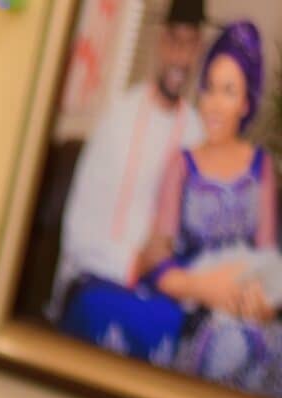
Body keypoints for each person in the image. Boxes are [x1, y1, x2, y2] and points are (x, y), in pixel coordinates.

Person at [54, 0, 205, 357]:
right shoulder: (118, 118)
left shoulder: (198, 135)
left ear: (198, 51)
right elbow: (78, 230)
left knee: (178, 328)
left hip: (163, 291)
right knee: (99, 313)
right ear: (158, 43)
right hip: (101, 274)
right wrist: (134, 263)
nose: (180, 58)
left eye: (190, 45)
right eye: (173, 41)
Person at [142, 20, 282, 397]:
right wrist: (205, 288)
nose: (216, 104)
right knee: (231, 346)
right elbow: (157, 261)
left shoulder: (262, 167)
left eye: (229, 91)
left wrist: (262, 304)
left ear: (246, 103)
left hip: (251, 309)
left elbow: (269, 263)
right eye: (209, 89)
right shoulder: (181, 164)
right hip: (197, 309)